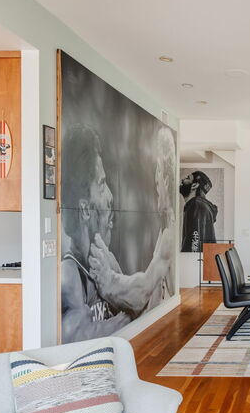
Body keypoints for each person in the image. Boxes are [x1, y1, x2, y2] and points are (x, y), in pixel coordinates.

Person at [61, 125, 176, 342]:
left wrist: (113, 283)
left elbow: (140, 297)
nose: (112, 196)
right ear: (85, 209)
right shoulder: (69, 275)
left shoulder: (109, 261)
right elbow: (76, 338)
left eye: (159, 173)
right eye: (103, 185)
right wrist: (132, 312)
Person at [180, 170, 218, 252]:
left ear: (194, 185)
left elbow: (194, 242)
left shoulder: (196, 205)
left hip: (195, 261)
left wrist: (188, 260)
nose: (182, 179)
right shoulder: (200, 205)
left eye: (187, 178)